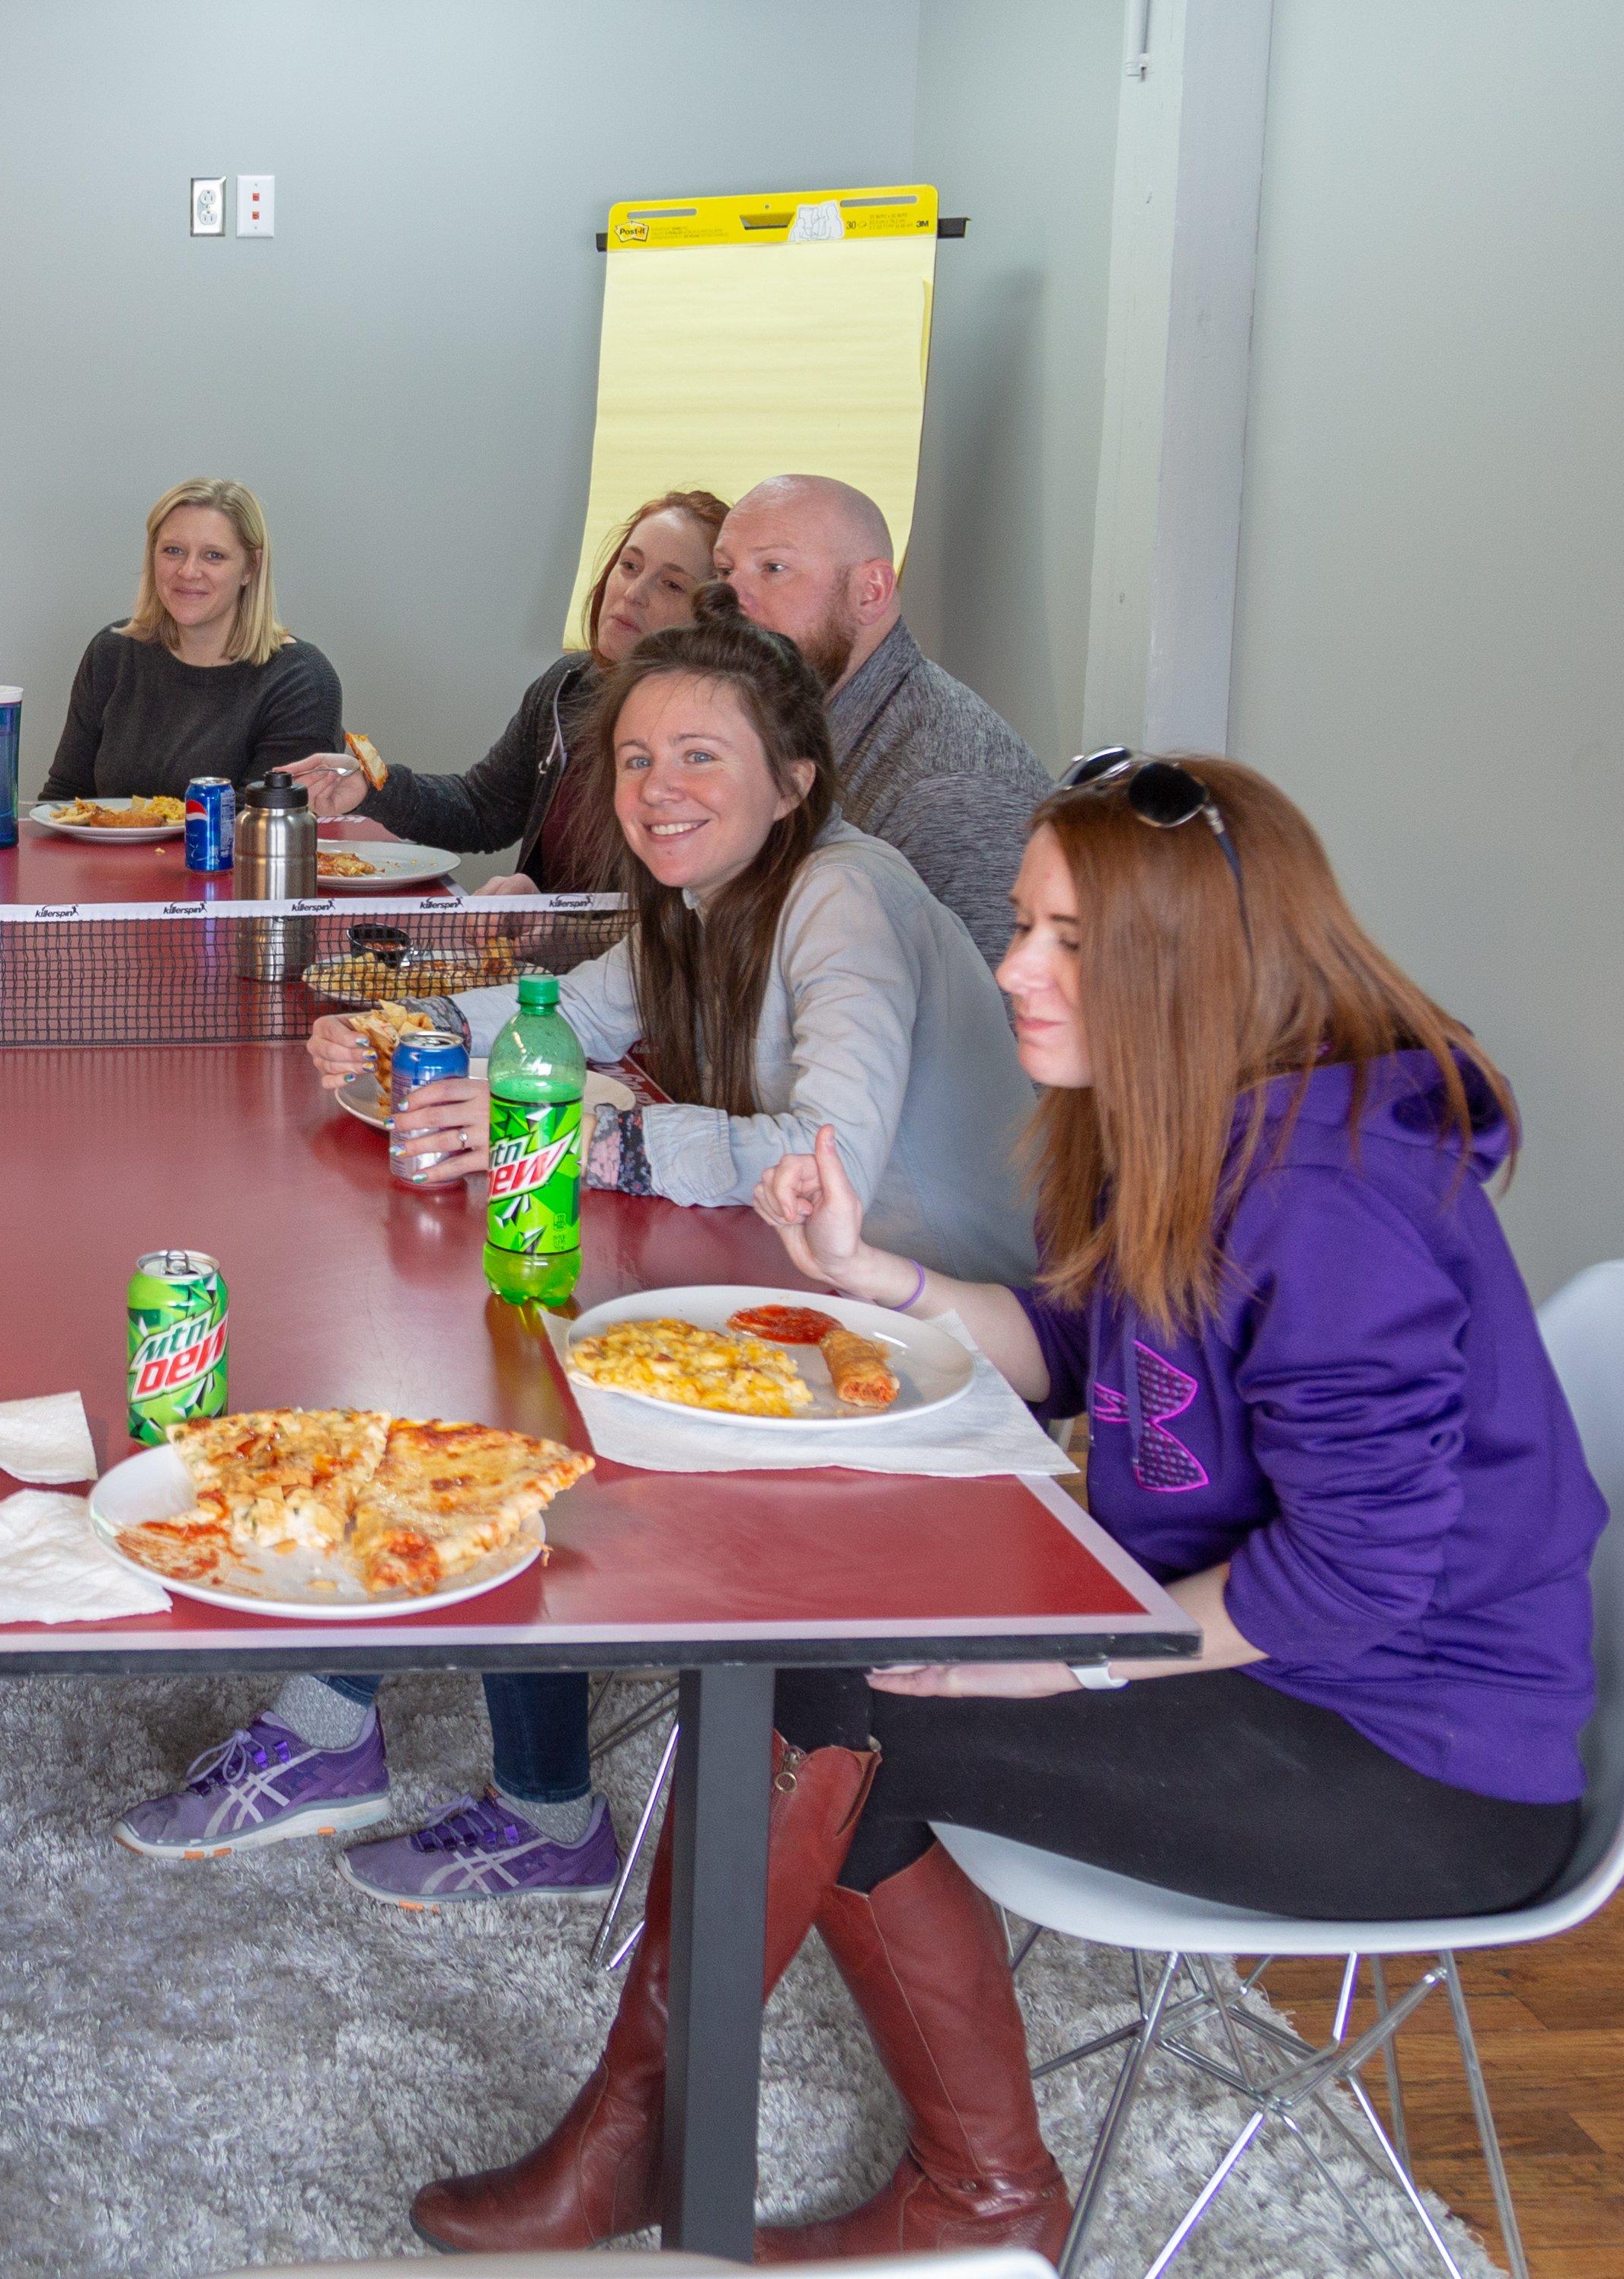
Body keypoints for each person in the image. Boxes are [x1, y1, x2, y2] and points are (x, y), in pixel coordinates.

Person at [408, 753, 1603, 2258]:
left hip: (1419, 1767)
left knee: (835, 1698)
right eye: (1026, 924)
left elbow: (1357, 1578)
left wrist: (1064, 1653)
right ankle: (861, 2163)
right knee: (815, 1655)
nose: (1012, 967)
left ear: (1190, 969)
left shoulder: (1331, 1196)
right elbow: (1076, 1346)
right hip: (1294, 1682)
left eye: (1067, 943)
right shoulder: (1187, 1121)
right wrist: (866, 1275)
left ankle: (746, 2148)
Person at [121, 619, 1029, 1905]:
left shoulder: (844, 895)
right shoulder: (701, 895)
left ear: (796, 779)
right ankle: (375, 1740)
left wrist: (596, 1136)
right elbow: (574, 1012)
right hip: (795, 1293)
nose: (662, 790)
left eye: (703, 756)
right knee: (481, 1339)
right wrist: (407, 1028)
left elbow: (831, 1161)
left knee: (502, 1390)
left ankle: (479, 1790)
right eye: (641, 758)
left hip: (926, 1346)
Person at [277, 488, 723, 891]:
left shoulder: (713, 732)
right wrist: (373, 785)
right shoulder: (566, 687)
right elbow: (482, 809)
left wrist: (558, 926)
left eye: (672, 584)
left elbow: (680, 920)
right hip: (552, 972)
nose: (633, 593)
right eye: (629, 566)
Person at [715, 472, 1047, 960]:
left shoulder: (953, 792)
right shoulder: (791, 730)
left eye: (774, 567)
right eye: (724, 571)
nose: (731, 598)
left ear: (870, 591)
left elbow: (998, 1027)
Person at [41, 477, 345, 800]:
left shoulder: (301, 681)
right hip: (101, 854)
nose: (188, 571)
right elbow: (65, 797)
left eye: (213, 556)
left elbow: (259, 827)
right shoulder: (112, 653)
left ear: (250, 568)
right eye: (173, 551)